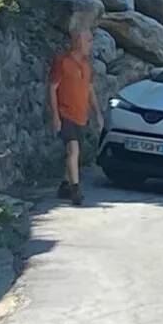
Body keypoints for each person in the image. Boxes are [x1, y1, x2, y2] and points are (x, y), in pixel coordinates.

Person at [48, 27, 95, 205]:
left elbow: (90, 90)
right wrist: (55, 116)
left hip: (81, 115)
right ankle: (75, 191)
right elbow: (52, 88)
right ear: (78, 42)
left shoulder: (86, 65)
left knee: (74, 153)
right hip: (65, 113)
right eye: (88, 40)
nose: (91, 44)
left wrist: (97, 112)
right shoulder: (62, 62)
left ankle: (65, 185)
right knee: (73, 150)